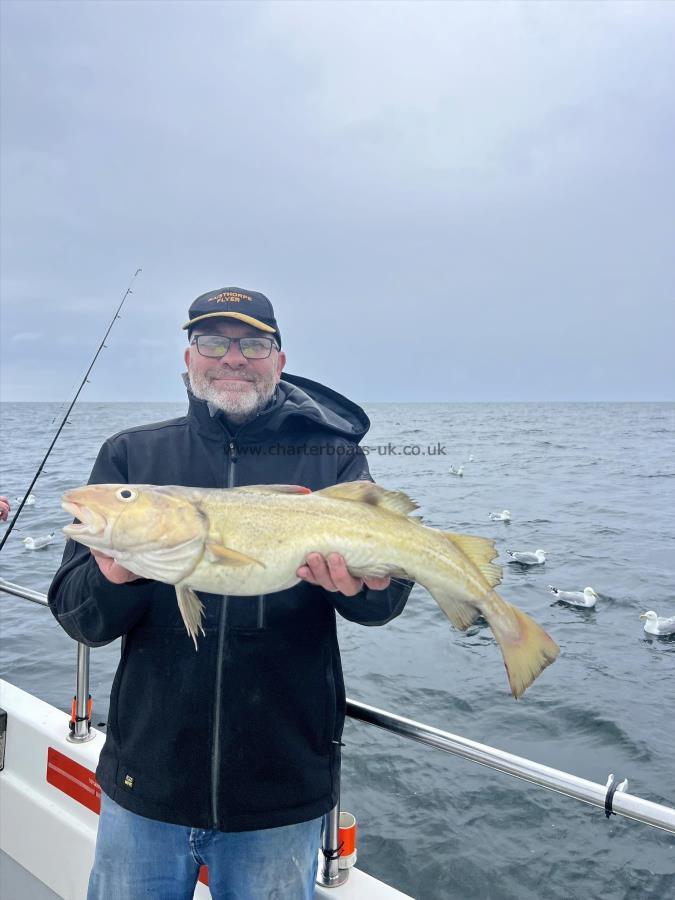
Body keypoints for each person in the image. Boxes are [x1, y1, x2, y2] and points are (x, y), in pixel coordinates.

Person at [49, 286, 412, 900]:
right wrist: (117, 573)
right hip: (146, 783)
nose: (233, 358)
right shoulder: (132, 455)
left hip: (279, 793)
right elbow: (78, 617)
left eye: (253, 343)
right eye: (213, 341)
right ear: (187, 359)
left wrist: (367, 585)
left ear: (281, 358)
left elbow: (383, 601)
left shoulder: (332, 458)